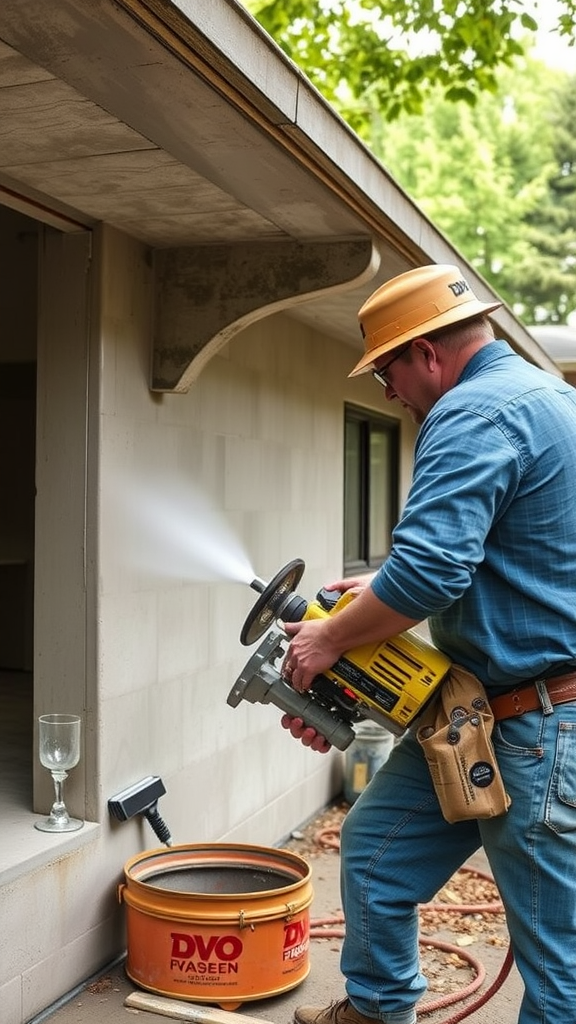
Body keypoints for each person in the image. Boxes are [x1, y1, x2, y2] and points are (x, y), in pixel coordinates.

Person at [280, 264, 576, 1024]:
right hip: (482, 715)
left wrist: (327, 642)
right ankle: (378, 1013)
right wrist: (376, 591)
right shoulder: (551, 400)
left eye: (386, 370)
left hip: (537, 725)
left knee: (559, 973)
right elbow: (500, 553)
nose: (386, 393)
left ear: (429, 355)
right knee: (377, 853)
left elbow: (434, 569)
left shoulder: (472, 413)